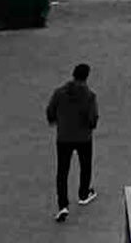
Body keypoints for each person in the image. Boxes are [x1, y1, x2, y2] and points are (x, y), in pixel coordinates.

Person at [46, 62, 98, 222]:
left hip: (63, 138)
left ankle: (63, 206)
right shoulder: (90, 96)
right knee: (85, 165)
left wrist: (56, 121)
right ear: (86, 76)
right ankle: (83, 194)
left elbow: (50, 111)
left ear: (73, 74)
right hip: (84, 138)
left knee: (62, 171)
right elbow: (93, 120)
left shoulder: (59, 93)